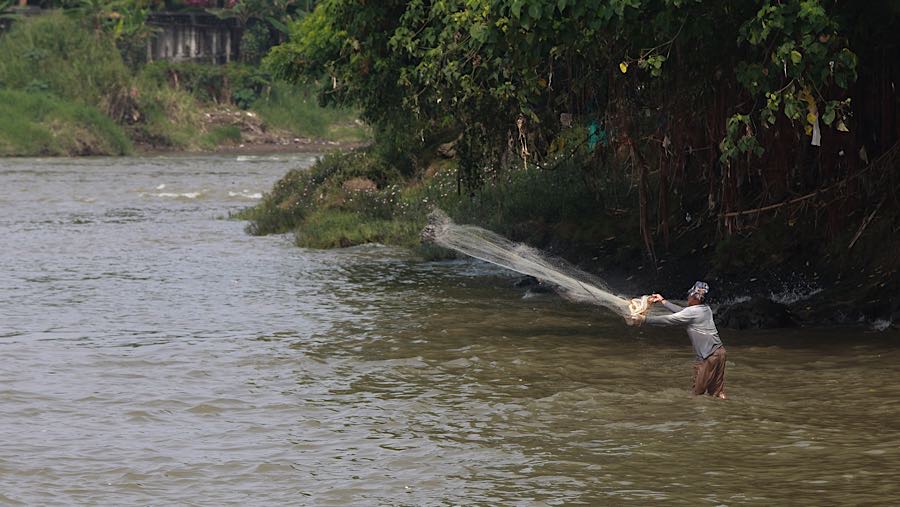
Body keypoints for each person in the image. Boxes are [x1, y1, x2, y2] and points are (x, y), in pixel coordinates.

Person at [629, 281, 727, 399]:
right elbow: (683, 312)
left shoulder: (693, 312)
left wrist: (644, 319)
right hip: (720, 353)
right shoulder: (706, 309)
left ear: (695, 298)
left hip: (708, 356)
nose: (688, 297)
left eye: (690, 295)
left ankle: (697, 416)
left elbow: (668, 320)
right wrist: (663, 301)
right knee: (718, 393)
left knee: (697, 395)